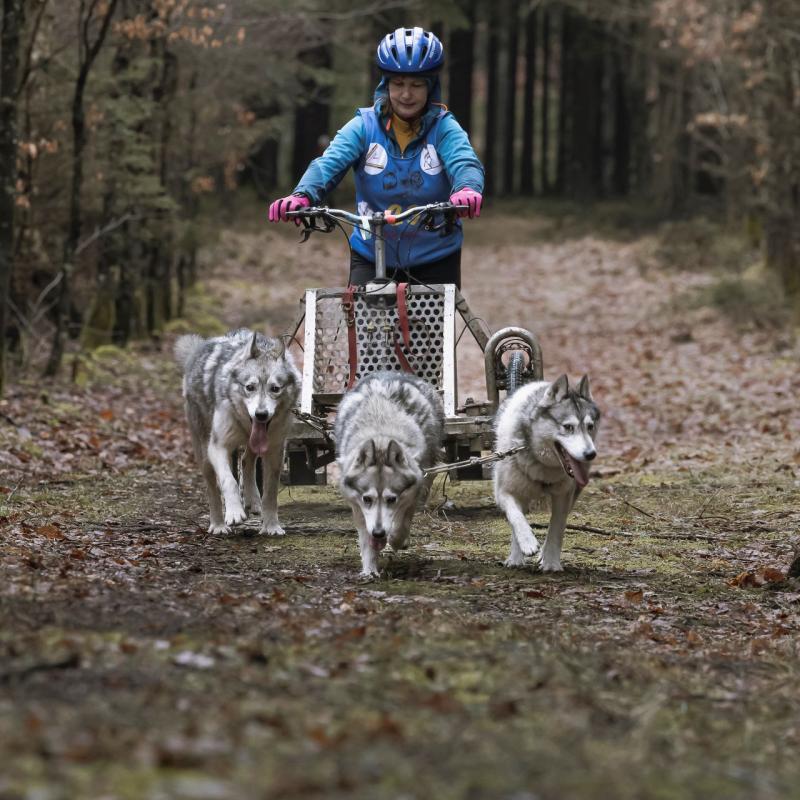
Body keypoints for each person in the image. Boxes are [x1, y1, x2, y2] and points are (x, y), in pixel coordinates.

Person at [268, 26, 484, 289]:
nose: (406, 94)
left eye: (416, 85)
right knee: (362, 317)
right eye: (398, 84)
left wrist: (467, 189)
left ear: (431, 87)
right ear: (386, 84)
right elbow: (328, 164)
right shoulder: (364, 126)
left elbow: (465, 161)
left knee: (435, 319)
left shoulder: (444, 127)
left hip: (435, 256)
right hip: (371, 254)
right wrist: (302, 194)